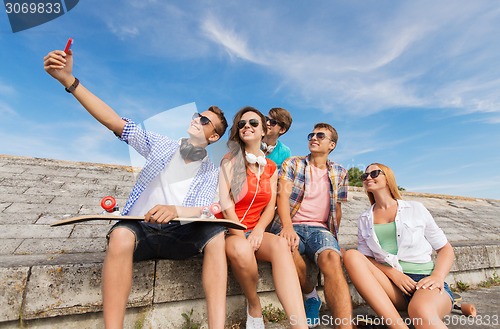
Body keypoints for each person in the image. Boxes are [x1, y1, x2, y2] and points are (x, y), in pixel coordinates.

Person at [43, 49, 229, 329]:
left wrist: (175, 210)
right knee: (119, 236)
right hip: (141, 226)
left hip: (180, 234)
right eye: (196, 115)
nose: (196, 120)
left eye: (204, 121)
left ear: (214, 136)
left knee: (216, 236)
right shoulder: (161, 145)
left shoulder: (209, 171)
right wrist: (69, 81)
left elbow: (203, 208)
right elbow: (114, 121)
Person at [217, 106, 307, 329]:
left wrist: (258, 231)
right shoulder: (230, 160)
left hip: (254, 230)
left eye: (253, 123)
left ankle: (299, 324)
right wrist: (241, 235)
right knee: (241, 249)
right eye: (241, 124)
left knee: (280, 245)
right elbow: (226, 205)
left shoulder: (271, 167)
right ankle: (254, 305)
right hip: (229, 230)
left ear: (263, 130)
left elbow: (270, 206)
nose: (246, 126)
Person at [343, 163, 455, 329]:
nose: (368, 178)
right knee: (351, 255)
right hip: (392, 286)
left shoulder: (416, 208)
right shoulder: (364, 218)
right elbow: (366, 259)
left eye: (374, 173)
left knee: (421, 311)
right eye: (364, 176)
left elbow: (445, 249)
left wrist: (437, 277)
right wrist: (393, 274)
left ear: (388, 178)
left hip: (424, 282)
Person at [271, 123, 353, 328]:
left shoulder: (340, 172)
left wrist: (334, 239)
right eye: (311, 134)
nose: (313, 138)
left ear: (331, 145)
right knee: (286, 247)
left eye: (320, 136)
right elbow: (283, 196)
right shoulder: (293, 164)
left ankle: (345, 325)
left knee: (332, 258)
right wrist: (287, 227)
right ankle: (310, 295)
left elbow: (338, 209)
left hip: (320, 230)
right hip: (292, 224)